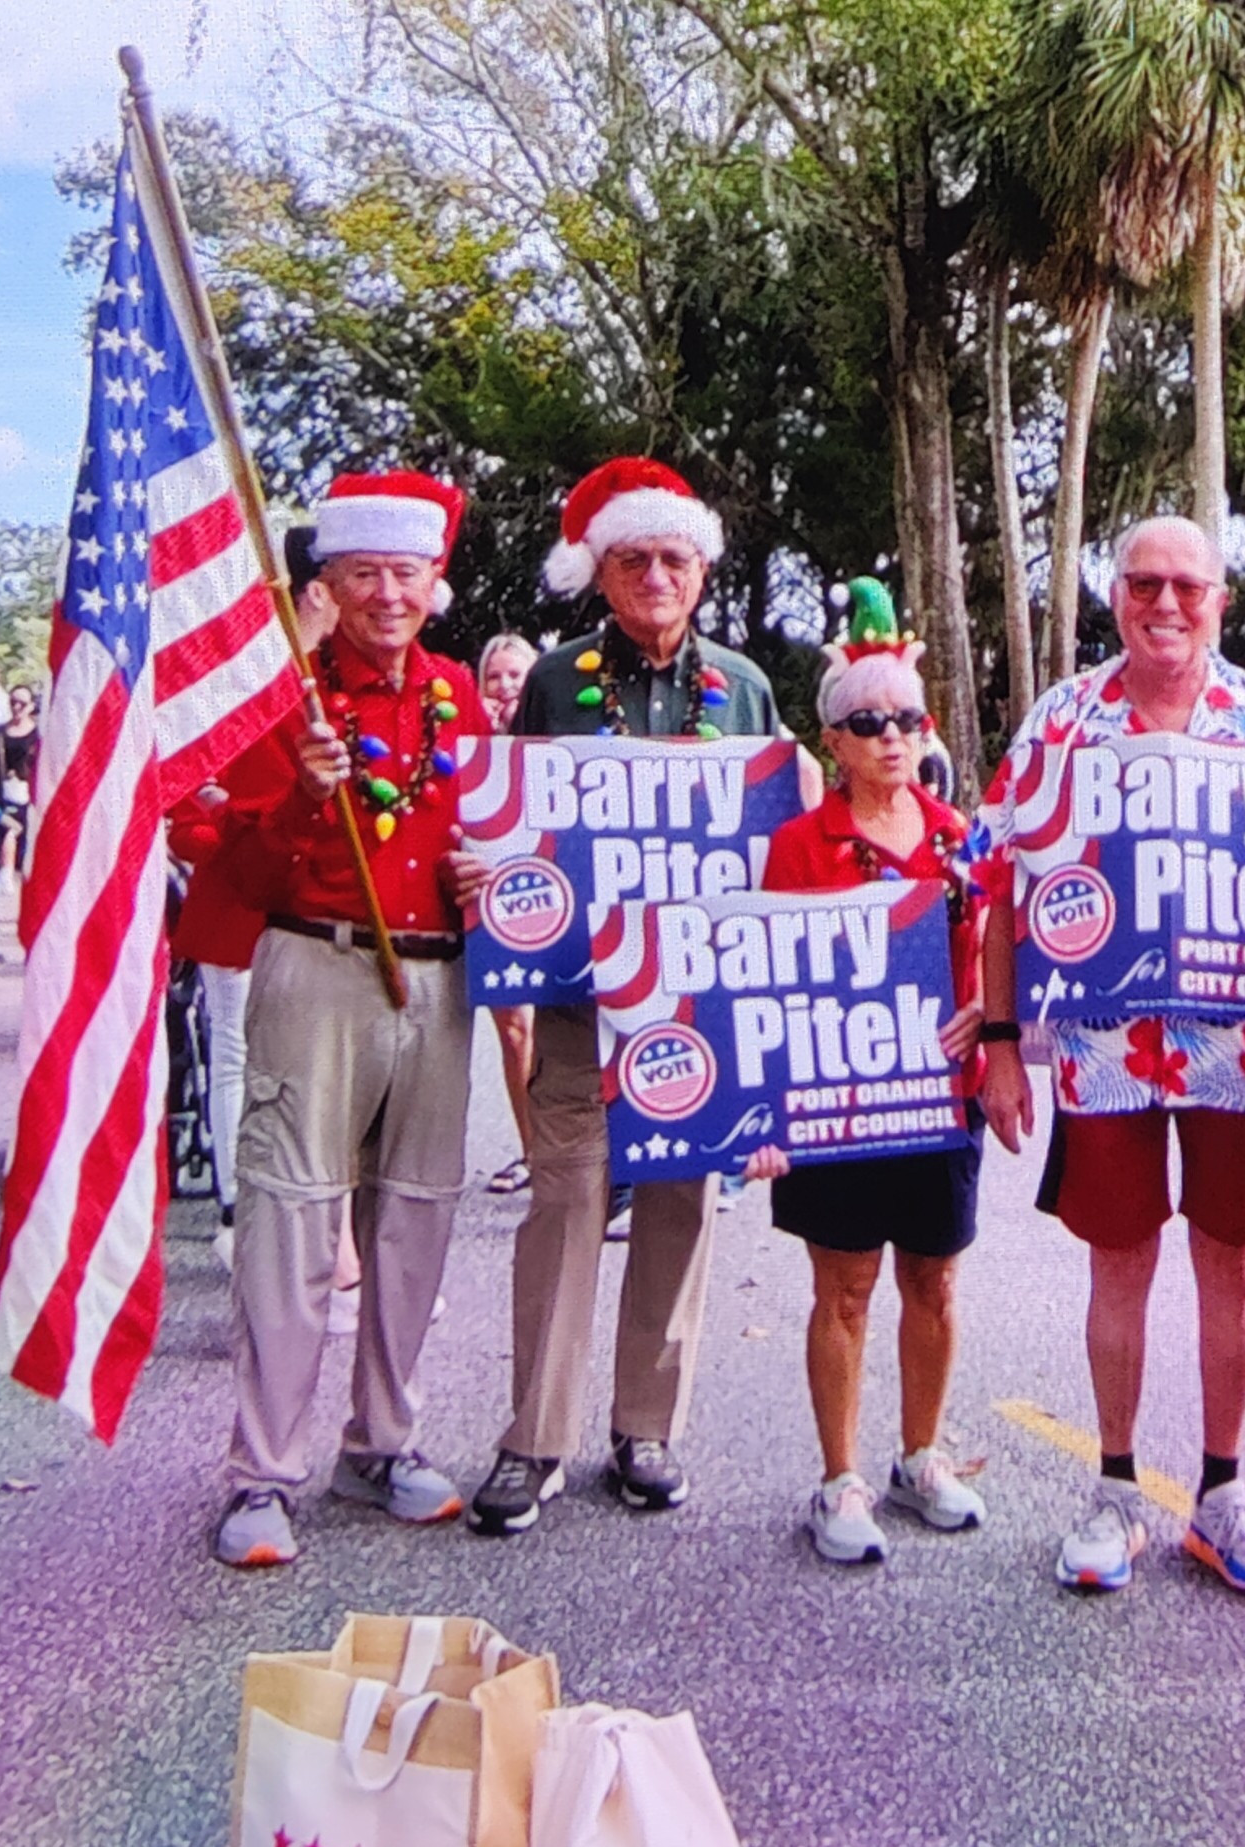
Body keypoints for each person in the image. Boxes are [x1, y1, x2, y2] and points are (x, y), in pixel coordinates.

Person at [973, 514, 1245, 1596]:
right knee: (1119, 1258)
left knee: (1231, 1259)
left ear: (1221, 601)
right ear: (1115, 595)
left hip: (1236, 1042)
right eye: (1146, 583)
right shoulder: (1064, 722)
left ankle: (1223, 1495)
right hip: (1102, 1043)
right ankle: (1116, 1490)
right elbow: (1001, 887)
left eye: (1190, 586)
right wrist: (1001, 1041)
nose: (1167, 604)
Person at [471, 457, 801, 1539]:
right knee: (565, 1200)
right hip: (579, 993)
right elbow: (514, 822)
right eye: (634, 558)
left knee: (678, 1206)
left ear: (702, 569)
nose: (656, 575)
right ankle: (534, 1438)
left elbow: (774, 840)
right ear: (601, 573)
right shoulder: (559, 681)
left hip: (695, 1003)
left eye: (674, 557)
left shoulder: (744, 686)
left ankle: (645, 1427)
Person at [208, 472, 491, 1569]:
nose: (385, 593)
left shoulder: (460, 694)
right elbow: (226, 859)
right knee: (291, 1218)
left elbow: (499, 830)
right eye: (363, 572)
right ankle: (262, 1472)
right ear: (327, 581)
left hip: (440, 975)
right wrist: (301, 801)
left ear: (435, 584)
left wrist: (490, 873)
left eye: (404, 574)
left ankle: (384, 1440)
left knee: (415, 1215)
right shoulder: (280, 695)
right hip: (314, 961)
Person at [740, 586, 990, 1564]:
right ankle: (839, 1473)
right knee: (844, 1287)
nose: (893, 737)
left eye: (908, 719)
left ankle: (919, 1454)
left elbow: (992, 946)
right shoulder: (797, 849)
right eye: (868, 722)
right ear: (832, 740)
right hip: (837, 1102)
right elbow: (763, 978)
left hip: (941, 1094)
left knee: (932, 1281)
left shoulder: (956, 835)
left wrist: (987, 1010)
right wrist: (763, 1110)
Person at [170, 526, 340, 1263]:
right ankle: (243, 1211)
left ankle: (293, 1218)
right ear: (315, 589)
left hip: (312, 897)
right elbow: (188, 799)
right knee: (242, 1053)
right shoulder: (257, 674)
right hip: (244, 893)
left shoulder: (300, 670)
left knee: (287, 1059)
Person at [475, 631, 542, 1196]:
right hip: (495, 899)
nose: (504, 687)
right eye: (493, 677)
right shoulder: (471, 740)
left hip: (554, 898)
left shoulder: (554, 731)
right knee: (515, 1032)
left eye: (516, 676)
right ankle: (532, 1153)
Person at [0, 683, 40, 890]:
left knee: (15, 830)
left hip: (27, 794)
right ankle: (4, 873)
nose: (17, 707)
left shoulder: (37, 734)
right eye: (13, 702)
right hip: (2, 793)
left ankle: (9, 871)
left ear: (31, 706)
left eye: (22, 703)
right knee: (6, 829)